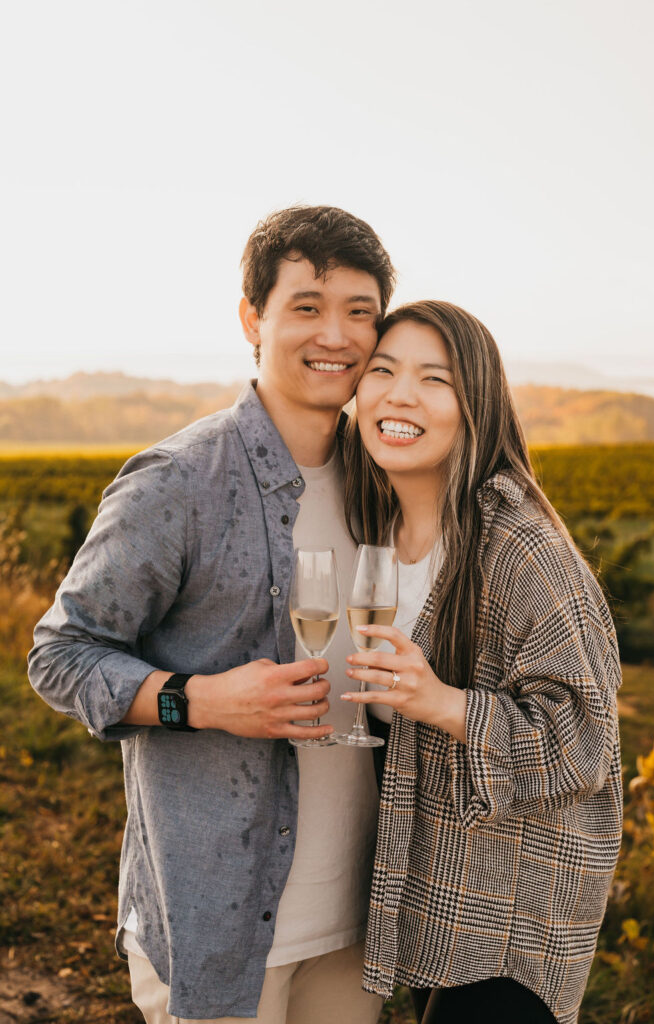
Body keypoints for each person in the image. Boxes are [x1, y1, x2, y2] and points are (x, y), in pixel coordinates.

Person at [27, 205, 395, 1024]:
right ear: (251, 319)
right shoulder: (179, 482)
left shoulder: (386, 479)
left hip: (357, 920)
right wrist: (200, 701)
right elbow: (60, 654)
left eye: (358, 311)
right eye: (307, 306)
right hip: (219, 926)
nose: (334, 334)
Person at [340, 301, 623, 1024]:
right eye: (383, 371)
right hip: (438, 890)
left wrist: (441, 701)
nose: (400, 395)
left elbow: (584, 743)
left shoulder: (522, 547)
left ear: (476, 407)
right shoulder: (376, 527)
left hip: (512, 911)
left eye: (434, 379)